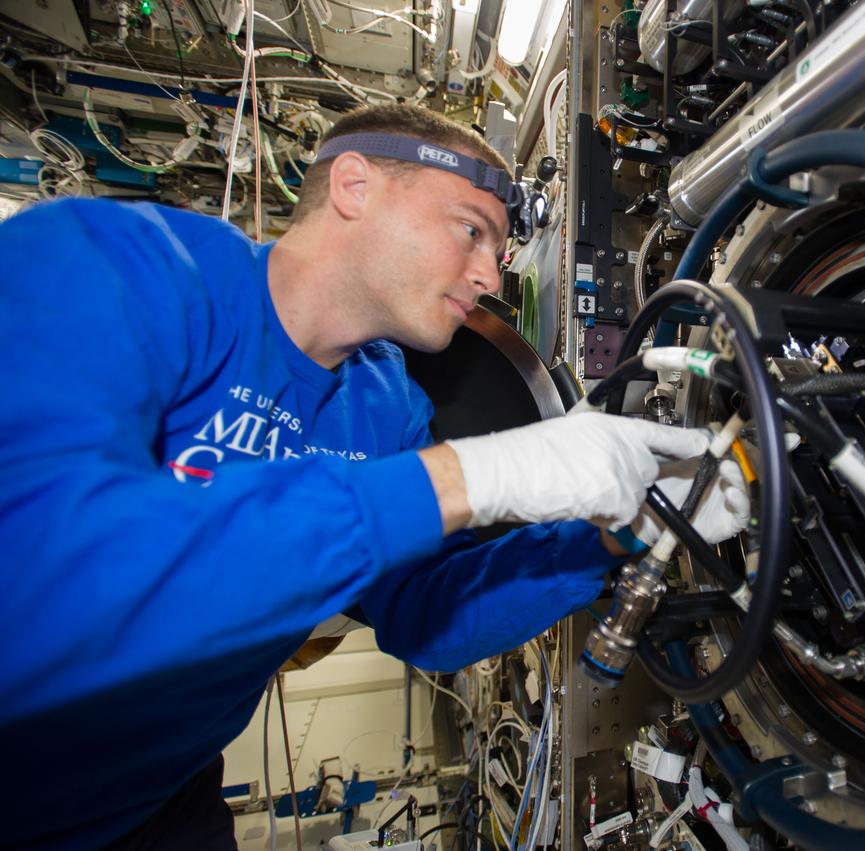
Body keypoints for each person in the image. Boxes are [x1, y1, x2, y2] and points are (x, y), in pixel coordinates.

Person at [0, 104, 749, 849]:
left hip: (159, 803)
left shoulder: (384, 405)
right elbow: (39, 583)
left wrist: (623, 532)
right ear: (355, 186)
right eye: (471, 230)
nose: (490, 274)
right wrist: (465, 477)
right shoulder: (112, 265)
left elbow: (423, 614)